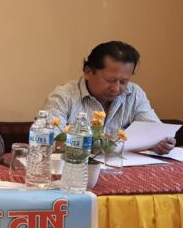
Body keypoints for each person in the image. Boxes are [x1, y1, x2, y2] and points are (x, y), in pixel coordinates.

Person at [43, 41, 174, 154]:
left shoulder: (134, 94)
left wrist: (163, 142)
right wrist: (108, 141)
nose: (116, 88)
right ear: (88, 72)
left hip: (123, 169)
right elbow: (48, 142)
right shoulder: (64, 96)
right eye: (110, 80)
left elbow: (156, 131)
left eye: (123, 82)